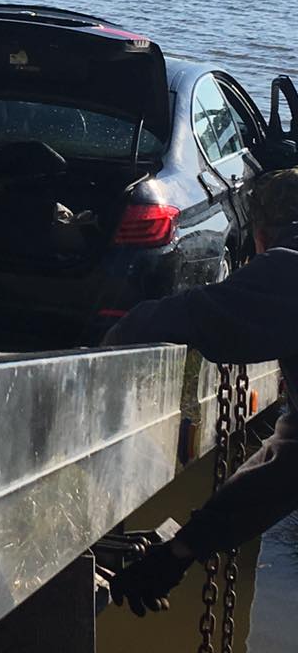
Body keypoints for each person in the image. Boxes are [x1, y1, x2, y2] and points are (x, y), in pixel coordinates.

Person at [102, 167, 298, 617]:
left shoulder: (288, 268)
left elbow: (203, 316)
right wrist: (182, 550)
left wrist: (108, 342)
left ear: (262, 232)